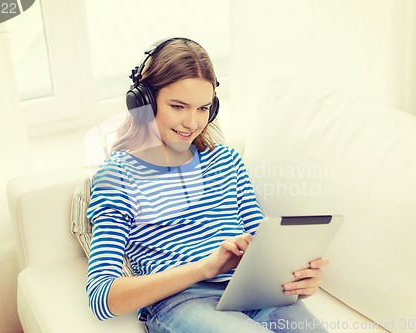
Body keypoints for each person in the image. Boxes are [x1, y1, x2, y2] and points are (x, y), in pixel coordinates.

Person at [86, 37, 328, 332]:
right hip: (183, 301)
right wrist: (207, 267)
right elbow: (102, 297)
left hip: (255, 293)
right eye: (178, 106)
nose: (192, 122)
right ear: (144, 102)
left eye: (203, 108)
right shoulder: (118, 177)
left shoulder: (227, 160)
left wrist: (297, 280)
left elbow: (259, 243)